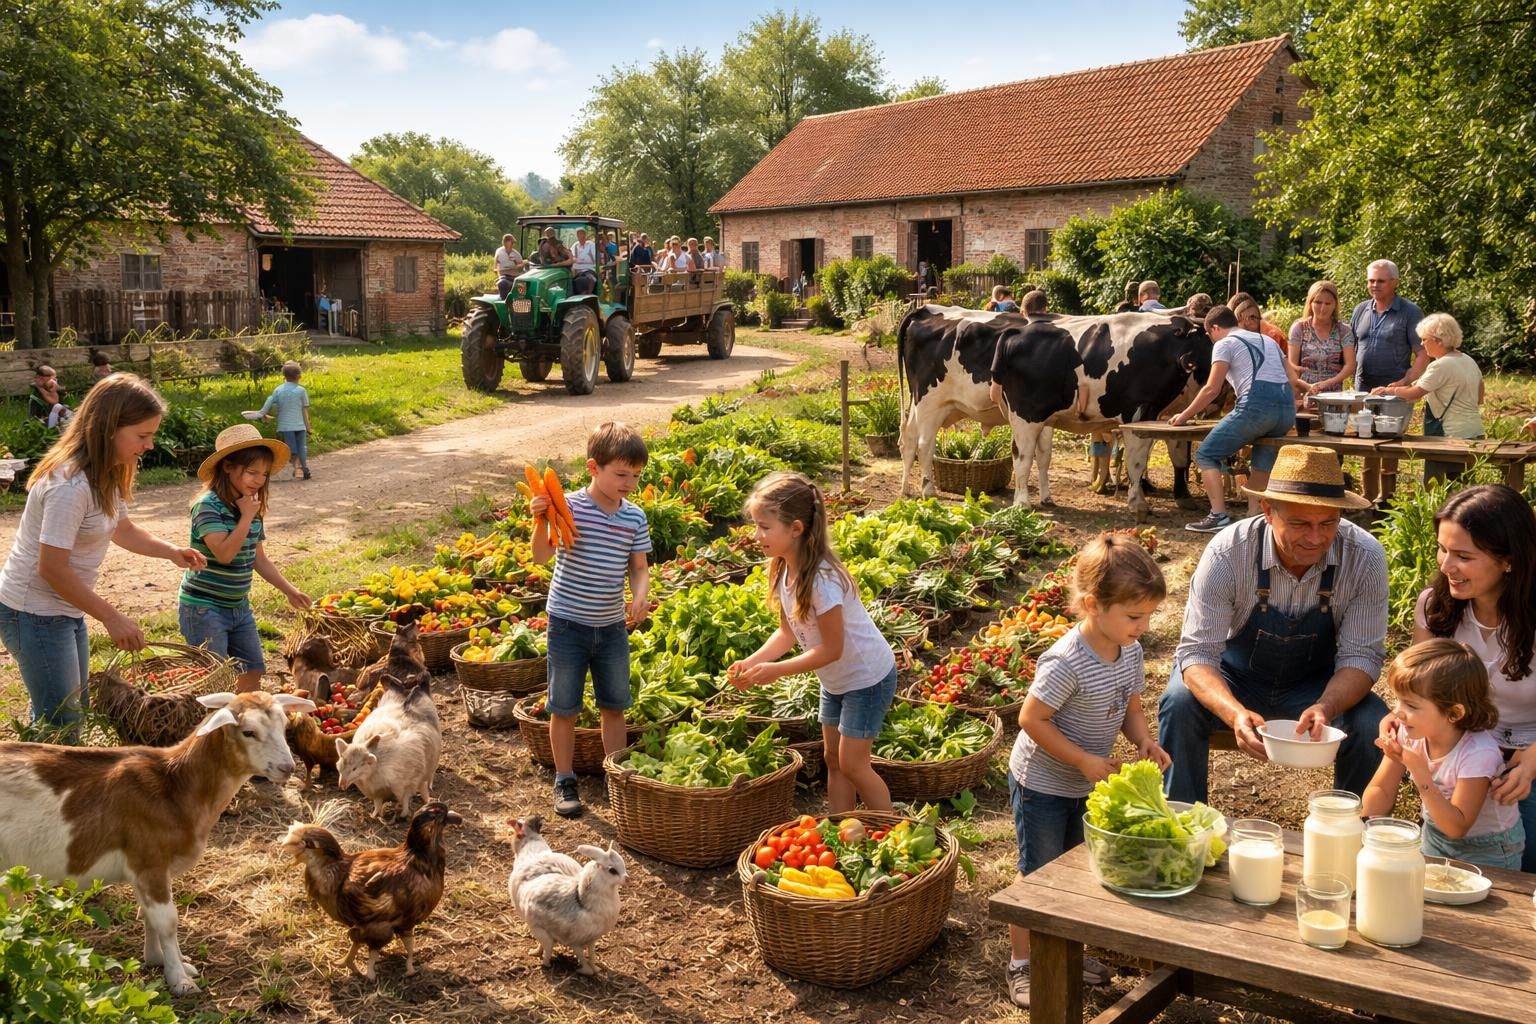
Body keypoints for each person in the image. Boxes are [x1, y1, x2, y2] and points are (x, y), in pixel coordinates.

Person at [1158, 444, 1389, 804]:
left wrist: (1327, 706)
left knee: (1371, 722)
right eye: (1300, 524)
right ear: (1268, 511)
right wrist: (1233, 712)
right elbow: (1198, 654)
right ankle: (1184, 822)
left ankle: (1353, 826)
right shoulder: (1228, 552)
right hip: (1235, 679)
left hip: (1317, 686)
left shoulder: (1365, 556)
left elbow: (1361, 657)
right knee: (1179, 702)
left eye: (1328, 523)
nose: (1315, 538)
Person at [1003, 536, 1168, 1009]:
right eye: (1134, 616)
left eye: (1149, 615)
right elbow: (1031, 719)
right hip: (1042, 784)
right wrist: (1081, 760)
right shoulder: (1066, 661)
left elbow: (1130, 706)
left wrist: (1143, 740)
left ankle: (1066, 952)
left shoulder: (1129, 650)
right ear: (1093, 605)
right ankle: (1022, 962)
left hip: (1086, 781)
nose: (1143, 626)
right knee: (1038, 873)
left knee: (1077, 870)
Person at [0, 375, 206, 731]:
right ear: (109, 428)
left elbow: (122, 529)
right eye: (142, 436)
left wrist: (171, 551)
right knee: (63, 722)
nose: (149, 445)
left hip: (63, 608)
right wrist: (112, 618)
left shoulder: (105, 475)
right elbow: (51, 568)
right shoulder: (69, 486)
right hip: (32, 612)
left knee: (71, 710)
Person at [728, 471, 896, 816]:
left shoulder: (822, 580)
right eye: (756, 525)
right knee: (832, 759)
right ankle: (841, 826)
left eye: (764, 527)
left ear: (795, 528)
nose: (756, 535)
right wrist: (751, 662)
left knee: (853, 764)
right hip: (835, 680)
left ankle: (890, 826)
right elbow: (787, 633)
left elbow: (832, 649)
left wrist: (777, 671)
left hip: (867, 678)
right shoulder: (782, 569)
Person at [1404, 485, 1536, 871]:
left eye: (1463, 556)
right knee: (1448, 862)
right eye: (1442, 549)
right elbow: (1417, 685)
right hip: (1458, 749)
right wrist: (1400, 715)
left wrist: (1532, 760)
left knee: (1522, 866)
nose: (1446, 566)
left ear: (1509, 560)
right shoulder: (1435, 606)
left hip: (1525, 753)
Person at [528, 422, 652, 819]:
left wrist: (640, 594)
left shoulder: (634, 518)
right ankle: (565, 778)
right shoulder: (568, 506)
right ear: (593, 468)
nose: (629, 483)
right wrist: (541, 520)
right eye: (621, 474)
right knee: (564, 706)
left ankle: (616, 777)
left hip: (611, 627)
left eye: (636, 476)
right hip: (567, 624)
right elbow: (541, 557)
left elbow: (638, 567)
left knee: (614, 705)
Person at [1362, 639, 1524, 870]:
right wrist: (1365, 824)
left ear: (1454, 713)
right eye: (1397, 700)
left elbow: (1457, 827)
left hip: (1488, 850)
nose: (1397, 712)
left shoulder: (1478, 753)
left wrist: (1420, 772)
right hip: (1434, 835)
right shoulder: (1410, 733)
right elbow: (1382, 789)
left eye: (1411, 705)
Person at [180, 425, 311, 693]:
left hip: (238, 606)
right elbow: (225, 554)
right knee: (214, 680)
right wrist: (247, 517)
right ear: (228, 467)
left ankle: (241, 717)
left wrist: (290, 591)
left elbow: (258, 559)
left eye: (264, 474)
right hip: (204, 608)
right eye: (252, 472)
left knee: (253, 670)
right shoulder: (207, 506)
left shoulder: (250, 505)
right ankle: (212, 720)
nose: (259, 480)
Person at [1169, 304, 1300, 532]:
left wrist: (1183, 416)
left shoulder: (1225, 343)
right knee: (1263, 456)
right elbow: (1292, 378)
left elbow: (1212, 389)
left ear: (1215, 328)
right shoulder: (1268, 340)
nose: (1211, 340)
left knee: (1206, 454)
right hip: (1286, 410)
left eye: (1209, 334)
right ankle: (1255, 516)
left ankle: (1218, 516)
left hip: (1256, 408)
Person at [1349, 259, 1426, 505]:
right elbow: (1350, 348)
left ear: (1394, 282)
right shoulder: (1361, 310)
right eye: (1371, 280)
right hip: (1364, 388)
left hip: (1394, 391)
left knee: (1390, 443)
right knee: (1366, 440)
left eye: (1380, 281)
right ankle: (1367, 499)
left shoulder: (1410, 312)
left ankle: (1387, 501)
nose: (1375, 285)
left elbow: (1423, 353)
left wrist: (1405, 382)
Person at [1372, 313, 1482, 482]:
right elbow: (1480, 397)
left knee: (1435, 484)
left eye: (1424, 339)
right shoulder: (1468, 360)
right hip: (1474, 432)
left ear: (1439, 340)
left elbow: (1415, 394)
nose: (1422, 344)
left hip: (1449, 435)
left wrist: (1388, 391)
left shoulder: (1440, 365)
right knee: (1465, 485)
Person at [1288, 280, 1356, 397]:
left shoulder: (1344, 330)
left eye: (1328, 303)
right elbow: (1292, 366)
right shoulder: (1299, 328)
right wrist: (1305, 388)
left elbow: (1350, 366)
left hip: (1333, 394)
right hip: (1304, 392)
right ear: (1310, 303)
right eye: (1318, 302)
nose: (1322, 308)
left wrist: (1325, 384)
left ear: (1335, 305)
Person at [258, 361, 312, 481]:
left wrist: (264, 415)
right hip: (300, 425)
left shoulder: (278, 390)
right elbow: (304, 411)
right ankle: (304, 468)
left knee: (292, 448)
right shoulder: (301, 391)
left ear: (284, 376)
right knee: (302, 447)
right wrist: (308, 427)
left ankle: (297, 468)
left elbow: (272, 405)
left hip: (286, 426)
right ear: (299, 376)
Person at [495, 233, 528, 300]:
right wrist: (498, 273)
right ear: (504, 242)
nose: (511, 244)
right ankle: (504, 301)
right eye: (508, 241)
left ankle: (520, 301)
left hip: (515, 275)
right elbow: (496, 265)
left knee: (522, 283)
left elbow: (521, 264)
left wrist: (518, 266)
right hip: (504, 275)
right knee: (502, 283)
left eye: (512, 242)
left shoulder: (516, 254)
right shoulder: (499, 252)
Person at [571, 228, 598, 295]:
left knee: (591, 279)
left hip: (589, 269)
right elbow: (572, 258)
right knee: (572, 281)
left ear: (585, 235)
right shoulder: (575, 245)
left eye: (582, 234)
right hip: (577, 270)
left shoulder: (591, 245)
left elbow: (595, 259)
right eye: (578, 235)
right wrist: (577, 260)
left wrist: (580, 260)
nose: (580, 236)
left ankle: (589, 295)